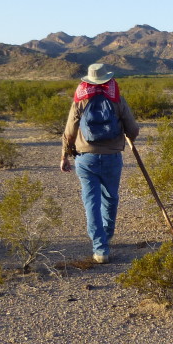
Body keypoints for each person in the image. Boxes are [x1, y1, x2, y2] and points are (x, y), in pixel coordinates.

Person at [60, 63, 140, 264]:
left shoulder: (80, 98)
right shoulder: (116, 98)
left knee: (91, 202)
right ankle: (107, 233)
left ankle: (100, 248)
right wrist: (128, 135)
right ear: (107, 78)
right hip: (112, 157)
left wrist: (64, 155)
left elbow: (69, 132)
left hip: (85, 158)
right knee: (110, 197)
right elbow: (133, 129)